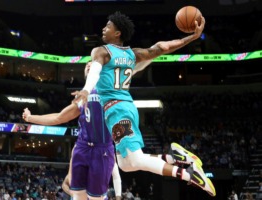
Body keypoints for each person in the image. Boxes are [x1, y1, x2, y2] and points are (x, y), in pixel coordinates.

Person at [72, 11, 216, 197]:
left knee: (136, 159)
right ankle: (175, 158)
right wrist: (191, 37)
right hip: (126, 108)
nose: (103, 28)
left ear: (118, 33)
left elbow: (95, 71)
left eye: (108, 26)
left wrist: (85, 89)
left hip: (117, 111)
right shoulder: (133, 54)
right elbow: (162, 47)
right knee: (125, 163)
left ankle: (188, 174)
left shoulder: (100, 51)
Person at [22, 61, 122, 200]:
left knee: (96, 198)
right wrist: (30, 118)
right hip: (82, 147)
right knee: (77, 195)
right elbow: (59, 117)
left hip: (102, 149)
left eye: (92, 64)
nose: (88, 65)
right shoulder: (81, 97)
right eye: (86, 65)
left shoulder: (110, 89)